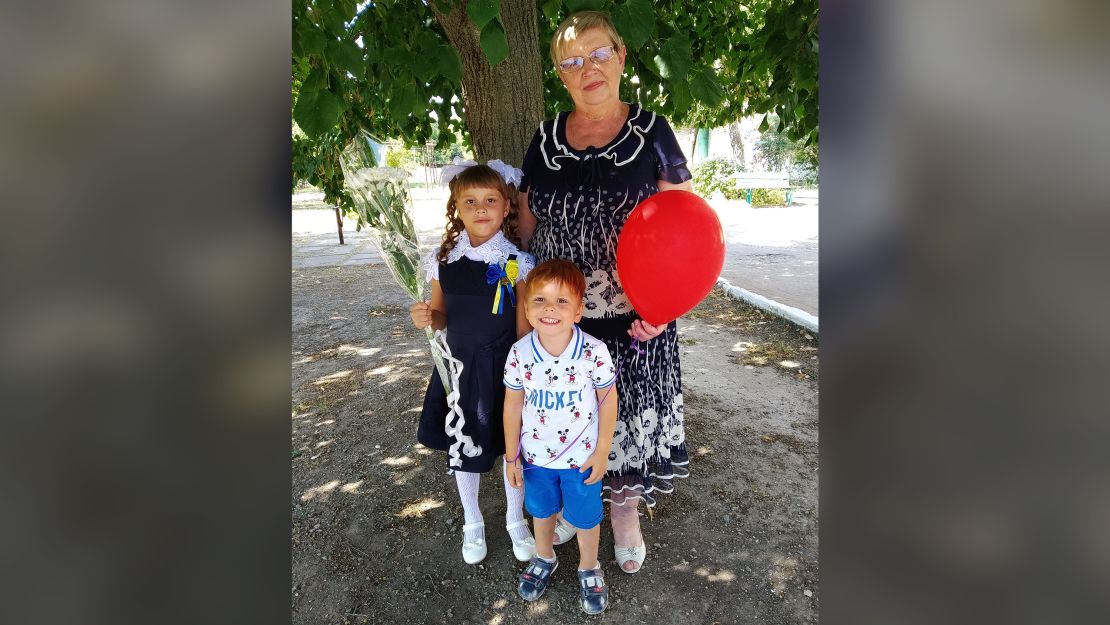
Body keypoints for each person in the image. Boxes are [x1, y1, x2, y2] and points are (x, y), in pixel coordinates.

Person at [516, 10, 695, 574]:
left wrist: (664, 308)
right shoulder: (544, 137)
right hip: (559, 319)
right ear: (560, 75)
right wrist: (532, 298)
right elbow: (526, 222)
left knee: (623, 411)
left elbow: (684, 228)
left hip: (632, 315)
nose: (586, 67)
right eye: (571, 61)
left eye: (598, 54)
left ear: (620, 56)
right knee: (564, 415)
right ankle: (577, 502)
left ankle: (623, 513)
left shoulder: (653, 132)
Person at [410, 161, 536, 565]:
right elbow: (442, 315)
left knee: (511, 446)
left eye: (490, 201)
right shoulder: (441, 260)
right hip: (459, 370)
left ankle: (516, 520)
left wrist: (525, 379)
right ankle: (473, 520)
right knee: (464, 448)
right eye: (470, 202)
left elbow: (522, 330)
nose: (481, 209)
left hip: (504, 371)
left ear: (505, 208)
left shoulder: (517, 262)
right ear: (457, 208)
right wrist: (428, 317)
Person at [503, 259, 618, 614]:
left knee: (585, 516)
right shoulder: (520, 353)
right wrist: (512, 456)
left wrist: (602, 452)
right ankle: (544, 556)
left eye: (562, 301)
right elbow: (512, 405)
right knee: (540, 511)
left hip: (582, 459)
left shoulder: (593, 352)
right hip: (536, 457)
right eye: (539, 300)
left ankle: (589, 566)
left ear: (579, 310)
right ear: (526, 307)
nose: (550, 309)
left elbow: (608, 401)